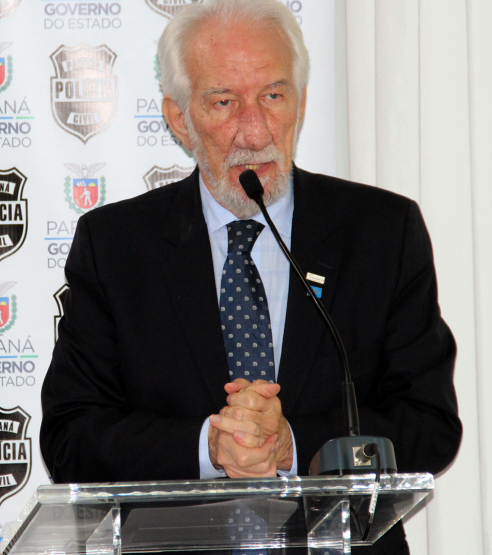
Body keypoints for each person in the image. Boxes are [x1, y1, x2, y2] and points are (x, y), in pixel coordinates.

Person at [40, 0, 462, 553]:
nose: (254, 130)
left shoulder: (381, 232)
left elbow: (429, 423)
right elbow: (71, 437)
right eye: (224, 101)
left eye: (273, 96)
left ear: (301, 102)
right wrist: (210, 446)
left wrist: (292, 443)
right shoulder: (116, 247)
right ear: (179, 119)